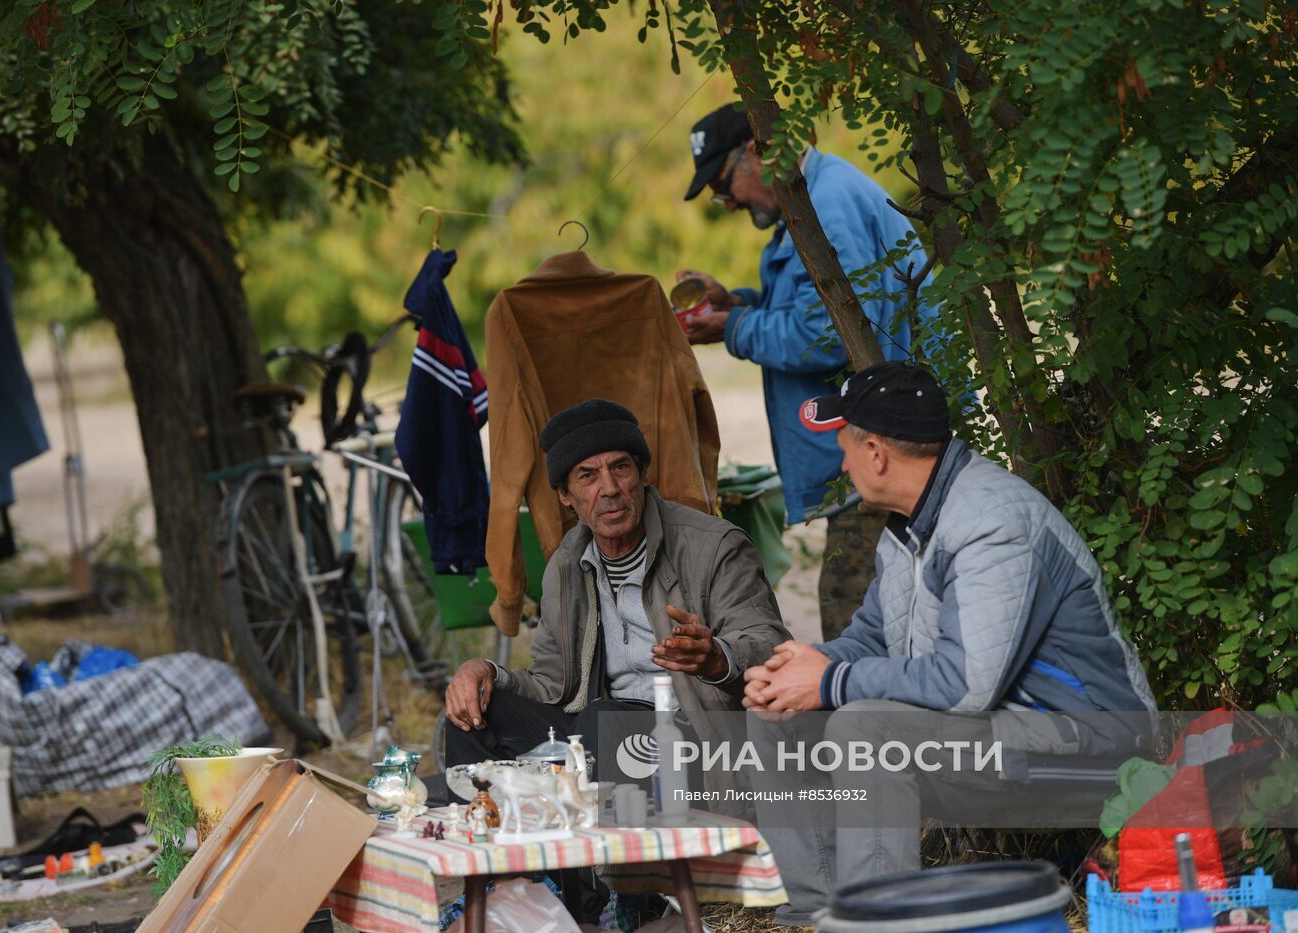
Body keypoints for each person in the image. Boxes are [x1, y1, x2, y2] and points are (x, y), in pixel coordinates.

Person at [741, 361, 1157, 925]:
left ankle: (879, 922)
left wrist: (829, 681)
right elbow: (872, 638)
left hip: (1091, 742)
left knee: (866, 729)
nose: (842, 465)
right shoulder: (909, 522)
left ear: (876, 453)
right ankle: (826, 912)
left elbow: (965, 685)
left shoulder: (992, 521)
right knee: (776, 720)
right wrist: (799, 673)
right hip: (1003, 731)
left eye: (845, 450)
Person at [678, 102, 938, 641]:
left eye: (723, 186)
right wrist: (736, 305)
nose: (727, 203)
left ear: (757, 152)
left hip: (887, 455)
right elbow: (817, 308)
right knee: (870, 627)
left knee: (855, 633)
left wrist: (733, 327)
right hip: (871, 457)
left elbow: (829, 333)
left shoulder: (828, 205)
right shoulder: (810, 200)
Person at [444, 398, 789, 789]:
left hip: (696, 735)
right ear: (565, 495)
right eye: (587, 476)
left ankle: (581, 819)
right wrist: (488, 672)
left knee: (602, 720)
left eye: (620, 467)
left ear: (642, 474)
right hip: (601, 732)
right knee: (474, 714)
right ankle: (486, 822)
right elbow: (552, 683)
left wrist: (715, 659)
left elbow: (769, 648)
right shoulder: (566, 565)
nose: (609, 489)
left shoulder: (714, 547)